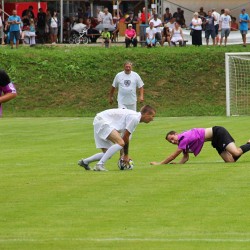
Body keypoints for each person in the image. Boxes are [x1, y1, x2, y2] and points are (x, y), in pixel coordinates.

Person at [78, 105, 156, 171]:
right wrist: (126, 155)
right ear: (146, 114)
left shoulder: (134, 117)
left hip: (99, 120)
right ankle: (100, 165)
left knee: (107, 154)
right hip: (103, 121)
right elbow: (125, 138)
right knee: (120, 143)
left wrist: (122, 155)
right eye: (152, 116)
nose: (153, 119)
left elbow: (124, 138)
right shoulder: (135, 118)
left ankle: (85, 162)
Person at [150, 126, 250, 165]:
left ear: (176, 134)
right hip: (215, 139)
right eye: (170, 142)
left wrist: (160, 163)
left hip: (218, 132)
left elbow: (172, 156)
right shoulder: (182, 141)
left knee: (236, 152)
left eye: (172, 138)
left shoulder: (183, 138)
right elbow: (185, 158)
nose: (172, 142)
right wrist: (178, 164)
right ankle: (248, 144)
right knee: (230, 161)